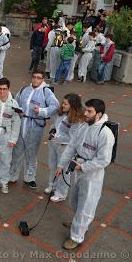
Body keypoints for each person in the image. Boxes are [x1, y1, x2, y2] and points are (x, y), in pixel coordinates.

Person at [55, 99, 114, 250]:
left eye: (89, 111)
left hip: (91, 175)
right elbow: (71, 147)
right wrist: (61, 164)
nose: (85, 114)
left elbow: (104, 160)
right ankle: (78, 223)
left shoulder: (105, 134)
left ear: (99, 114)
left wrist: (84, 167)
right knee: (75, 201)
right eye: (85, 110)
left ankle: (76, 236)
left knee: (86, 207)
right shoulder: (83, 126)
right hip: (77, 169)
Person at [9, 70, 59, 189]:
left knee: (31, 154)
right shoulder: (24, 89)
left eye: (39, 78)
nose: (36, 80)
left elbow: (55, 106)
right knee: (17, 152)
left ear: (42, 79)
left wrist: (41, 111)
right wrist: (18, 111)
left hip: (35, 126)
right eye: (34, 77)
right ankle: (12, 175)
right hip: (21, 125)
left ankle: (29, 177)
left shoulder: (45, 91)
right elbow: (15, 102)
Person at [45, 93, 84, 202]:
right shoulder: (61, 114)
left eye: (66, 104)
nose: (63, 105)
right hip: (54, 144)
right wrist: (53, 130)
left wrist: (58, 136)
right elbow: (56, 125)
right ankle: (52, 185)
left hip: (65, 148)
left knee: (63, 169)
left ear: (73, 105)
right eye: (63, 103)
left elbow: (73, 138)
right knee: (53, 165)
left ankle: (61, 193)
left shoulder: (77, 120)